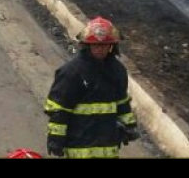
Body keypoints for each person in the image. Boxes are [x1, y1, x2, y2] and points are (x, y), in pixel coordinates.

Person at [44, 17, 140, 159]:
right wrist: (55, 138)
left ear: (111, 46)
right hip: (79, 146)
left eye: (104, 45)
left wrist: (129, 125)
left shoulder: (117, 71)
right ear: (86, 45)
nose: (99, 49)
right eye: (95, 45)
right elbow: (59, 108)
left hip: (107, 146)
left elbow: (121, 101)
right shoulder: (72, 72)